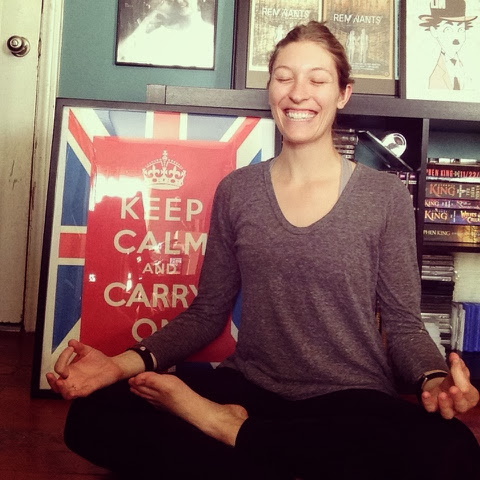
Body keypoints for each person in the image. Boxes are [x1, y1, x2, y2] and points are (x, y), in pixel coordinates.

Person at [47, 21, 480, 480]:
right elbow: (206, 313)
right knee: (93, 414)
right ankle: (268, 447)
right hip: (250, 386)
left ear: (343, 93)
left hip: (350, 399)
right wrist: (114, 367)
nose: (298, 93)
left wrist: (436, 380)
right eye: (283, 77)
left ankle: (229, 430)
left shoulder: (385, 196)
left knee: (453, 453)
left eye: (317, 80)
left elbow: (403, 324)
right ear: (270, 88)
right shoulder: (238, 190)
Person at [117, 0, 215, 68]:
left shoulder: (209, 34)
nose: (178, 1)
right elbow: (123, 55)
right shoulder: (160, 33)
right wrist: (147, 20)